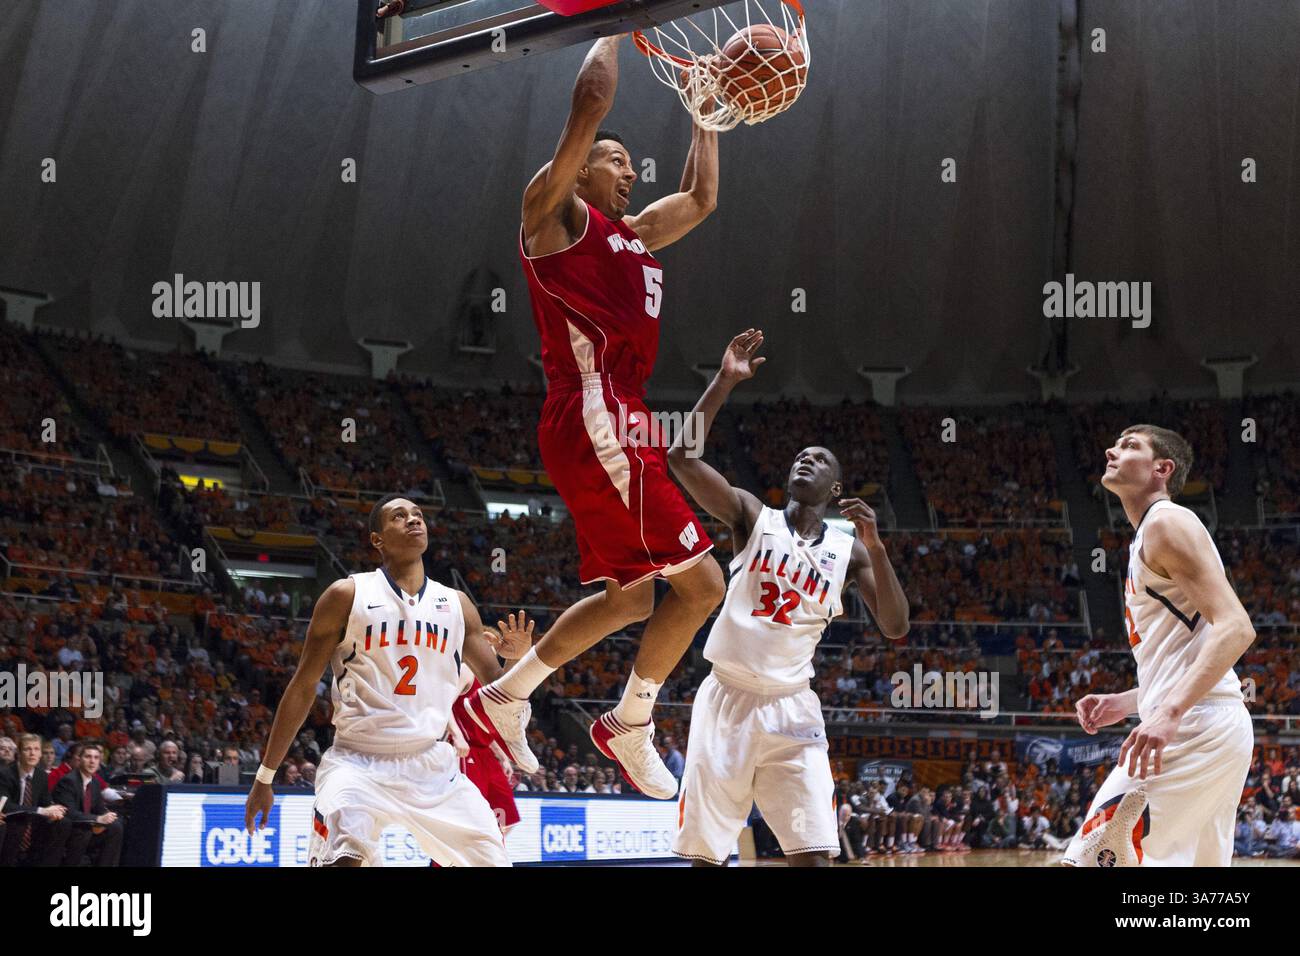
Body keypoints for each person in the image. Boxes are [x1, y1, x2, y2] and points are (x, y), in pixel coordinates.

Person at [468, 33, 724, 799]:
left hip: (618, 420)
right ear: (578, 170)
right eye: (616, 161)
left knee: (635, 596)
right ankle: (631, 721)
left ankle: (507, 694)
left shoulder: (634, 235)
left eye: (631, 167)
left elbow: (703, 199)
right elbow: (588, 102)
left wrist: (707, 111)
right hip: (596, 416)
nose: (629, 172)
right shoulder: (552, 216)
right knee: (705, 585)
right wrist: (614, 22)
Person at [664, 331, 910, 866]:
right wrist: (724, 380)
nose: (806, 460)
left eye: (819, 459)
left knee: (815, 854)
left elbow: (895, 625)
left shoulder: (851, 551)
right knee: (706, 856)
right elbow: (681, 459)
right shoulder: (754, 517)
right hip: (726, 697)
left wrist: (878, 548)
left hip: (793, 708)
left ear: (835, 487)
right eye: (800, 456)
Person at [245, 495, 518, 867]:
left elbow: (498, 687)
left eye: (418, 515)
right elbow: (303, 687)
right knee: (344, 860)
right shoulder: (347, 595)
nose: (413, 520)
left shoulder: (456, 605)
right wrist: (265, 776)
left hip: (432, 765)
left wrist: (519, 658)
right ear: (377, 539)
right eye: (399, 516)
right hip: (358, 760)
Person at [1064, 426, 1256, 867]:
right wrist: (1132, 700)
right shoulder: (1151, 532)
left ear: (1161, 469)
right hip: (1211, 720)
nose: (1112, 449)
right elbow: (1192, 652)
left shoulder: (1167, 522)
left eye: (1131, 445)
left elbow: (1236, 628)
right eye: (1114, 443)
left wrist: (1167, 711)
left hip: (1194, 725)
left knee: (1092, 858)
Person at [0, 734, 72, 866]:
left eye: (36, 749)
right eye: (27, 749)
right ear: (19, 753)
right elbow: (6, 806)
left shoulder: (41, 775)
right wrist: (41, 810)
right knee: (19, 823)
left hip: (33, 821)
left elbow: (45, 801)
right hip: (11, 820)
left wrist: (53, 811)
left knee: (63, 822)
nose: (32, 753)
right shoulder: (5, 774)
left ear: (40, 754)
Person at [53, 743, 123, 866]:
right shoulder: (68, 781)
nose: (92, 761)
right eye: (88, 757)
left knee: (116, 826)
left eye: (96, 758)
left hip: (88, 827)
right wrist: (98, 819)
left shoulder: (95, 782)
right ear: (79, 760)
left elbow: (99, 808)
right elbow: (70, 813)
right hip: (70, 829)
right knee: (84, 831)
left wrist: (108, 816)